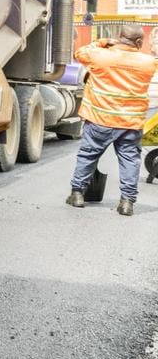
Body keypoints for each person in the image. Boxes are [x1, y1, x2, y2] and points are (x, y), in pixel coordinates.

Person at [66, 25, 157, 216]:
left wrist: (104, 42)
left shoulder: (100, 56)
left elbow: (79, 53)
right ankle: (127, 202)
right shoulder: (148, 63)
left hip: (100, 118)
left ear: (119, 37)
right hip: (130, 123)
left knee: (88, 155)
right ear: (139, 42)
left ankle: (77, 194)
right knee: (130, 160)